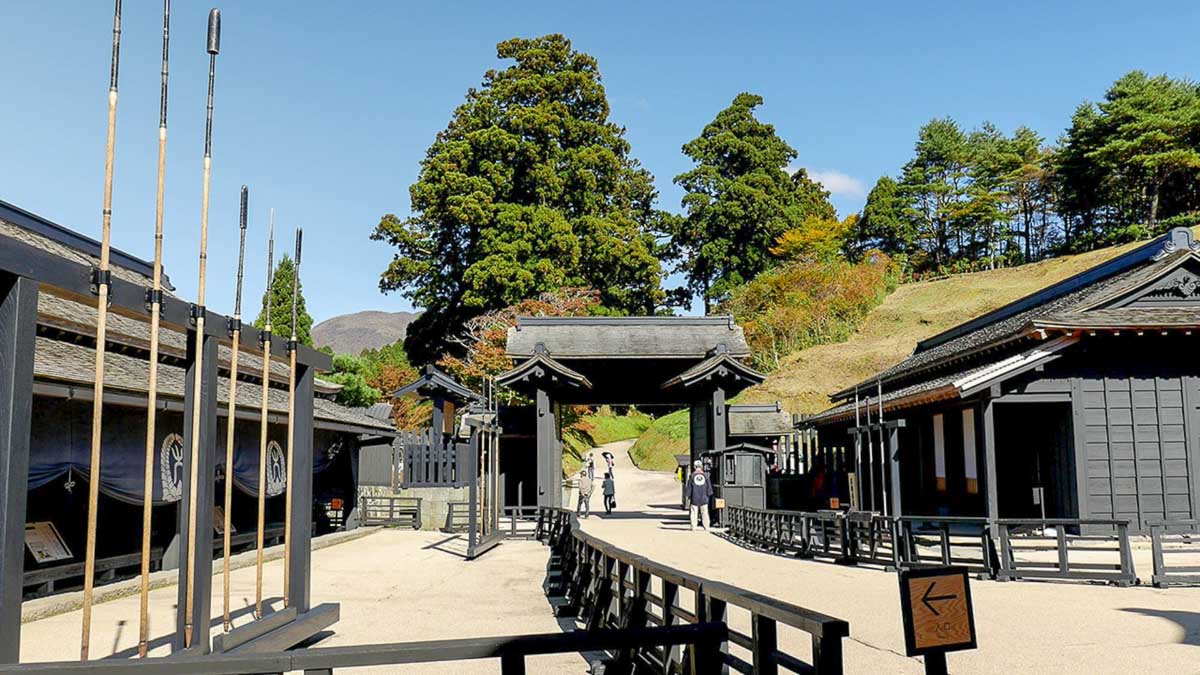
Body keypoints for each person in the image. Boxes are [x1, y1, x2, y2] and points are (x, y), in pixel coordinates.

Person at [685, 459, 713, 531]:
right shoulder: (706, 476)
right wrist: (709, 495)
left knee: (694, 513)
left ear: (694, 467)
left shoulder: (692, 476)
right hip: (704, 498)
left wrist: (688, 496)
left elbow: (689, 487)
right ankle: (706, 527)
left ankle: (693, 527)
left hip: (694, 497)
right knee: (705, 513)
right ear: (701, 466)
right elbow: (709, 487)